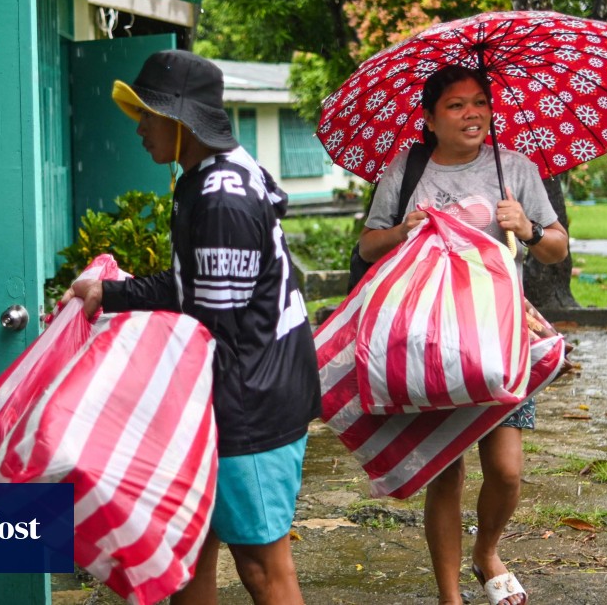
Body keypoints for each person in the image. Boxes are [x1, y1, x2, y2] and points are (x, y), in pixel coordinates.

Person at [63, 50, 320, 605]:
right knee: (187, 549)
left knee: (263, 567)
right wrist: (108, 293)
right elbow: (193, 285)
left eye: (148, 115)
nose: (139, 129)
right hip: (239, 388)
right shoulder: (208, 176)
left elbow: (219, 331)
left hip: (250, 402)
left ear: (181, 119)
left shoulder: (220, 198)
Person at [358, 64, 568, 605]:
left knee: (506, 471)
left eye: (479, 102)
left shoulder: (514, 168)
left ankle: (486, 551)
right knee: (445, 473)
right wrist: (402, 231)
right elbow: (367, 246)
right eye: (455, 105)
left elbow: (557, 248)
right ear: (429, 119)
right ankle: (449, 595)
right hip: (430, 342)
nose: (472, 114)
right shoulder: (407, 170)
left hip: (501, 340)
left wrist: (528, 228)